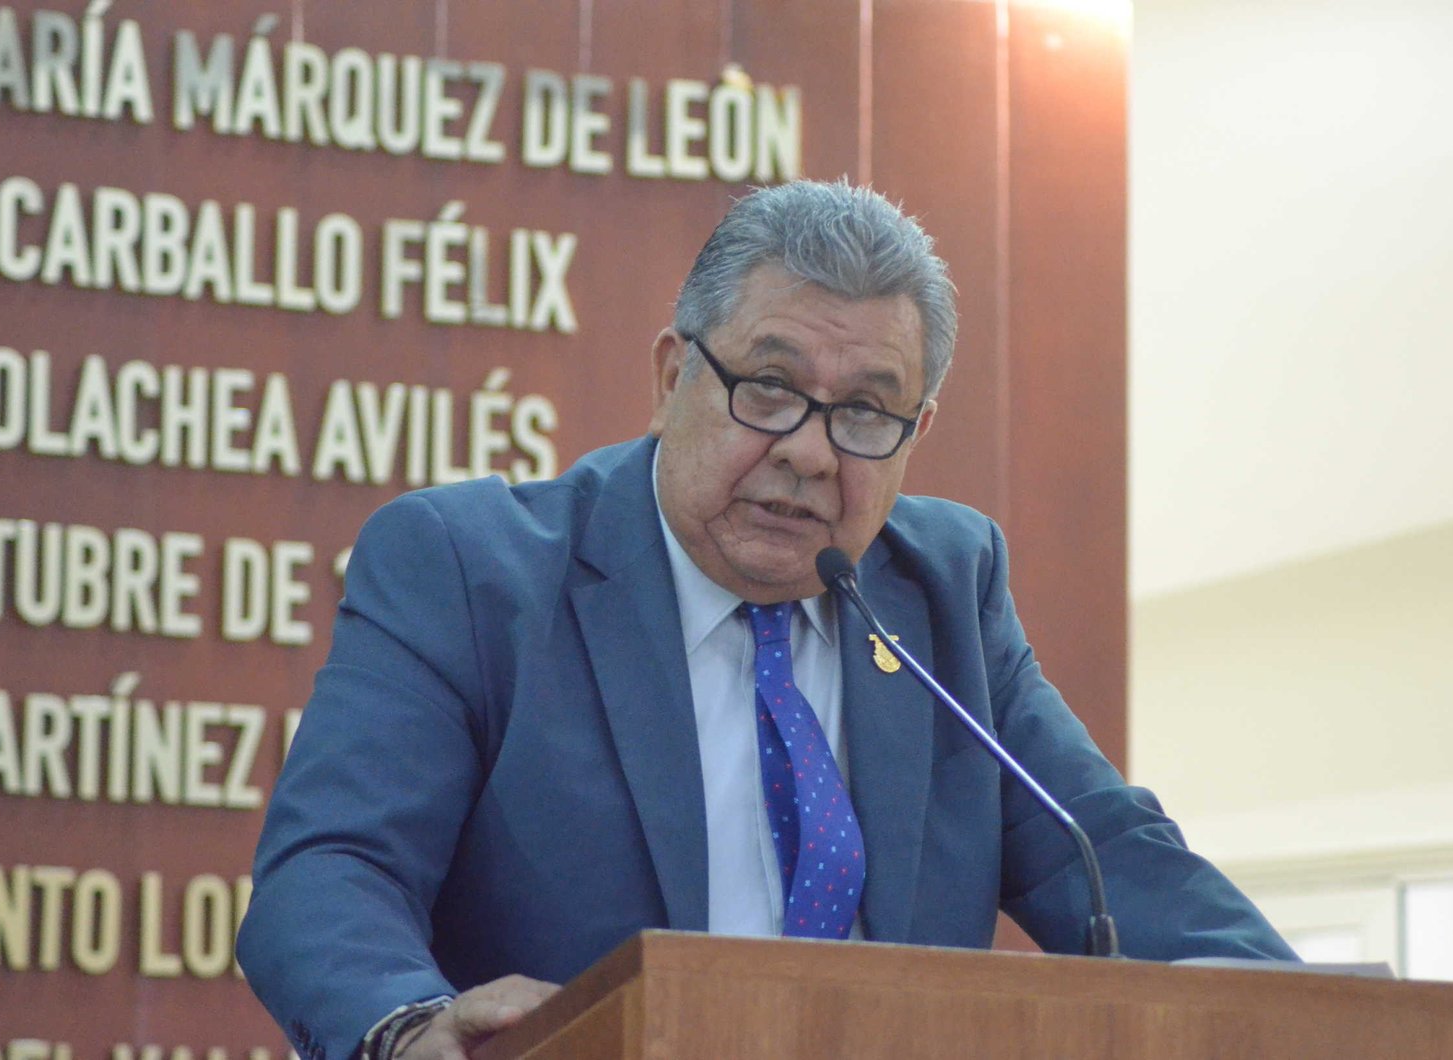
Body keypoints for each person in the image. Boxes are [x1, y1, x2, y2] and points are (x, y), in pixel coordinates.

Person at [236, 180, 1296, 1060]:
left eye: (865, 411)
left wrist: (1308, 1016)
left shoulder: (943, 588)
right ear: (670, 378)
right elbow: (332, 868)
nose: (809, 451)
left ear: (916, 430)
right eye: (770, 387)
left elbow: (1101, 851)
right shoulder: (472, 569)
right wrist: (408, 1025)